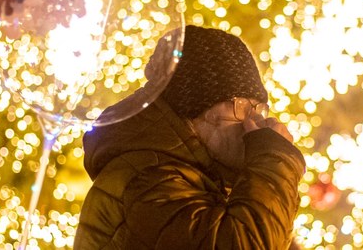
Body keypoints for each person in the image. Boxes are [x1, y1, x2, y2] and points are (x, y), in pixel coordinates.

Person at [74, 25, 306, 249]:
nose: (254, 121)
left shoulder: (195, 177)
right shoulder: (148, 177)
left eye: (259, 109)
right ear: (195, 110)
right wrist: (275, 160)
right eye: (243, 106)